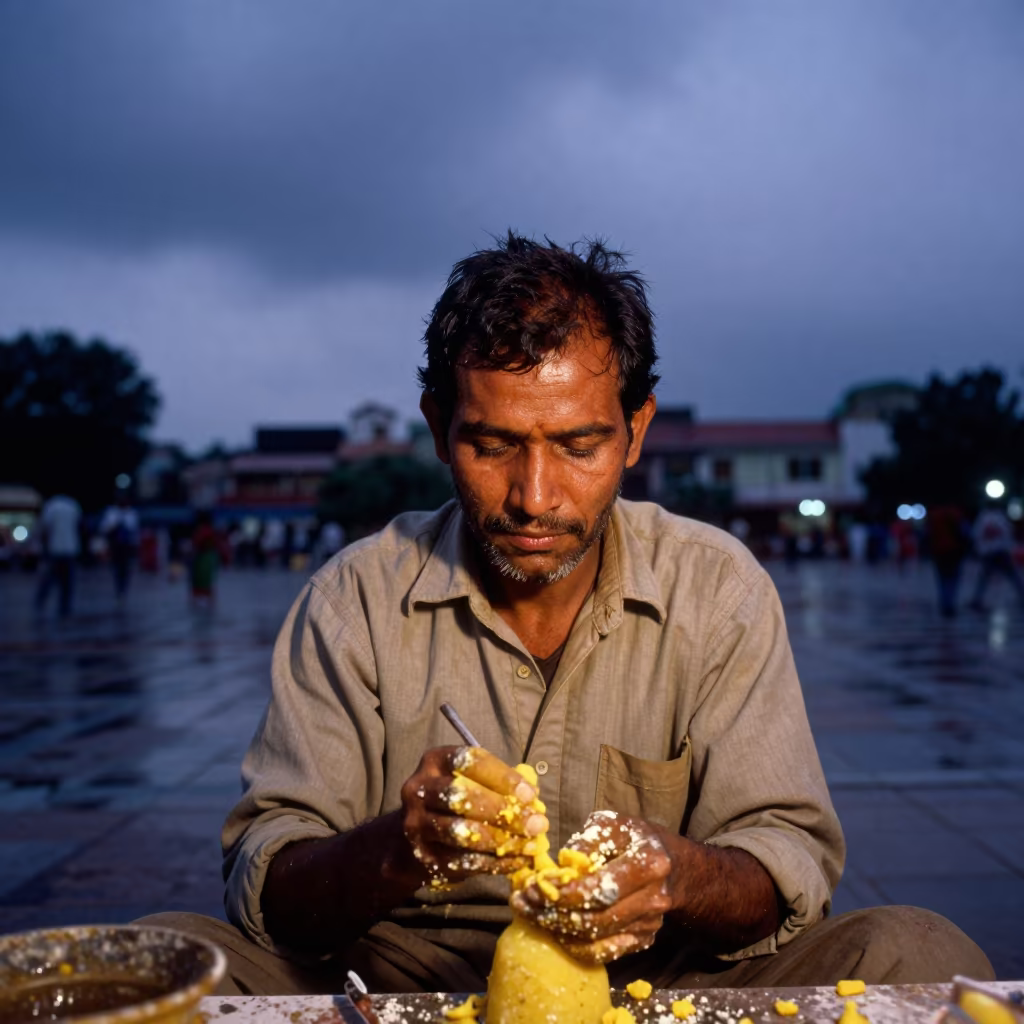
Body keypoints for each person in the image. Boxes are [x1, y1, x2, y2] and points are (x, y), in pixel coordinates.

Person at [140, 235, 992, 993]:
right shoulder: (356, 596)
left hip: (655, 981)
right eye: (493, 444)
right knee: (158, 952)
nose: (534, 498)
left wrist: (678, 875)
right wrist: (400, 848)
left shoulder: (717, 589)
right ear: (440, 429)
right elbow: (269, 883)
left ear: (635, 431)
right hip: (401, 981)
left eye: (579, 446)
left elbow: (788, 860)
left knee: (920, 951)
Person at [967, 503, 1024, 612]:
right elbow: (1008, 533)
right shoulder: (996, 517)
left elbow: (976, 534)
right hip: (997, 551)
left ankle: (976, 600)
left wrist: (981, 549)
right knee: (1011, 576)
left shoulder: (985, 518)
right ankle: (977, 600)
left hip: (995, 552)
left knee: (987, 577)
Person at [34, 491, 82, 618]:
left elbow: (45, 528)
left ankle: (40, 604)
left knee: (48, 580)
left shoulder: (51, 506)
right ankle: (65, 608)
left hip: (55, 549)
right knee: (67, 582)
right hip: (70, 549)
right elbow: (78, 526)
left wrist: (44, 548)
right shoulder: (73, 505)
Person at [926, 504, 970, 618]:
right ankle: (949, 603)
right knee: (952, 579)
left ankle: (944, 603)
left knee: (942, 579)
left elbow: (928, 534)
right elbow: (964, 532)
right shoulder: (955, 514)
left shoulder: (934, 516)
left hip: (938, 551)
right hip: (953, 550)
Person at [99, 492, 140, 601]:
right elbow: (105, 528)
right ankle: (118, 589)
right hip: (116, 546)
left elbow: (134, 529)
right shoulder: (111, 512)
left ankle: (123, 590)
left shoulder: (131, 513)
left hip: (126, 546)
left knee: (126, 569)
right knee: (117, 569)